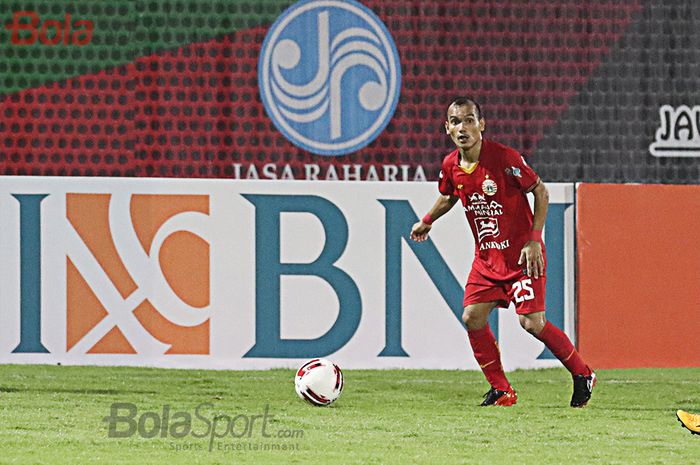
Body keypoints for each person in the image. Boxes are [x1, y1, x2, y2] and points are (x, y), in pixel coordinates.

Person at [410, 96, 596, 407]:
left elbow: (540, 190)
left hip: (522, 258)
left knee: (531, 323)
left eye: (469, 120)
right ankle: (502, 390)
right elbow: (448, 196)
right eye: (455, 121)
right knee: (472, 316)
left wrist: (535, 239)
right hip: (486, 261)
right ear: (447, 129)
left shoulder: (504, 158)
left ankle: (582, 374)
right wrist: (427, 221)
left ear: (481, 125)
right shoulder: (450, 165)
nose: (462, 127)